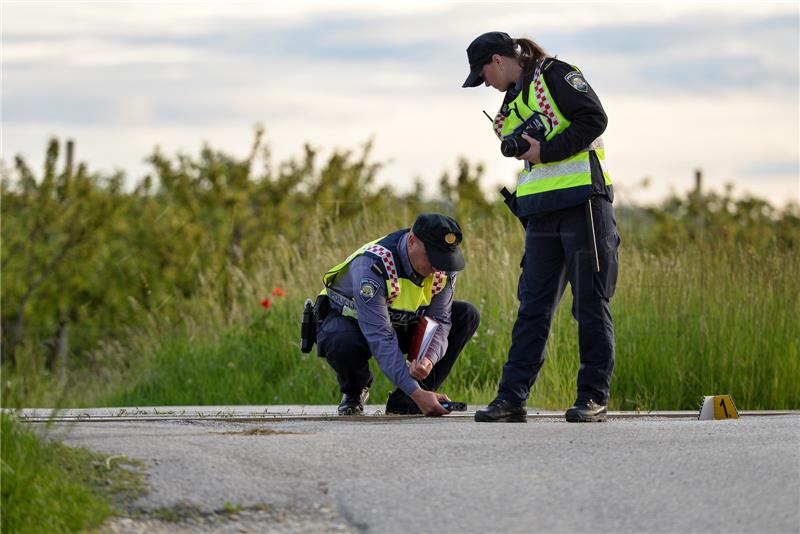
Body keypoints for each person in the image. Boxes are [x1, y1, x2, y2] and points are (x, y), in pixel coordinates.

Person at [462, 32, 620, 423]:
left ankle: (592, 398)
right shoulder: (513, 99)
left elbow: (594, 119)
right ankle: (511, 398)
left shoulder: (554, 75)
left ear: (498, 60)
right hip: (541, 211)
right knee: (532, 307)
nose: (486, 84)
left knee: (590, 304)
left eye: (484, 75)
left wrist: (545, 151)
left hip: (583, 201)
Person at [315, 213, 480, 416]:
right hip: (354, 325)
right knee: (341, 340)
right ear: (412, 242)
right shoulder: (373, 265)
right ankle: (355, 392)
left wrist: (428, 358)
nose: (438, 266)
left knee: (466, 315)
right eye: (433, 257)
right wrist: (416, 392)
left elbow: (440, 320)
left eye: (443, 259)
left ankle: (408, 400)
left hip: (403, 321)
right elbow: (381, 337)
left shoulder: (442, 268)